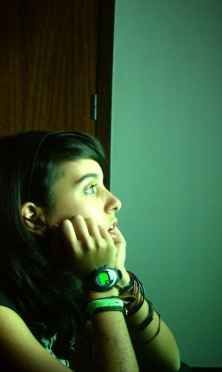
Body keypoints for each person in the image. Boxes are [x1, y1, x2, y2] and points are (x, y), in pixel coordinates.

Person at [0, 130, 181, 371]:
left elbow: (169, 364)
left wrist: (121, 278)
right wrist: (102, 285)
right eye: (90, 188)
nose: (115, 201)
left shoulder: (71, 270)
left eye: (103, 184)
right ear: (34, 217)